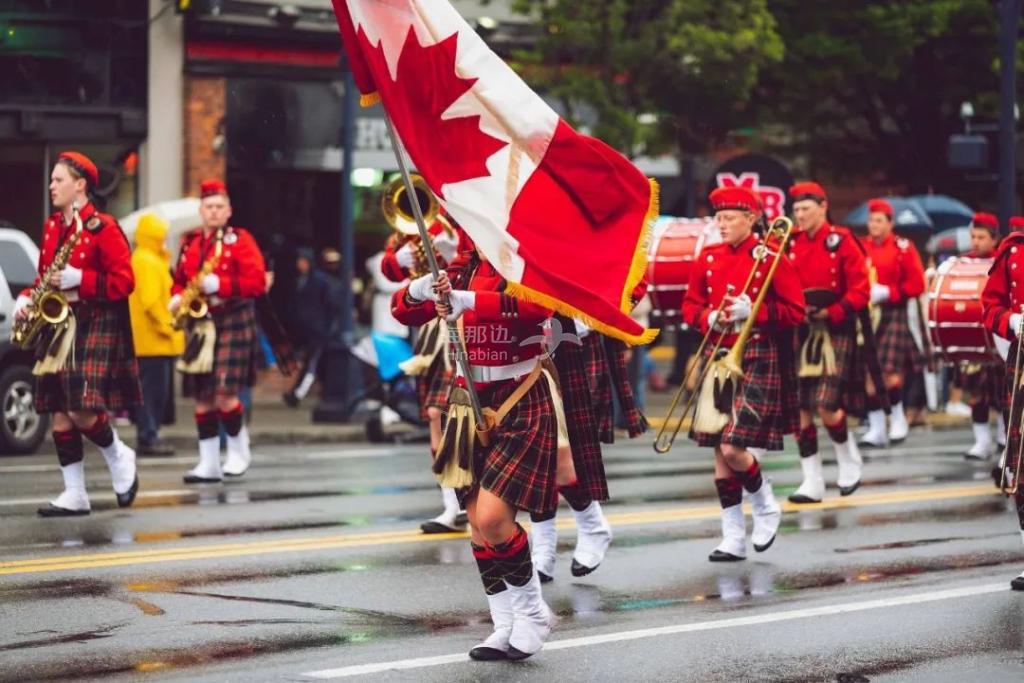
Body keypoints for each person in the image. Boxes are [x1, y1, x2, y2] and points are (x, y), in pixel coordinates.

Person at [392, 240, 557, 661]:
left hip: (518, 396)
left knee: (493, 517)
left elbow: (540, 307)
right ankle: (504, 624)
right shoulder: (461, 266)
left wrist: (466, 300)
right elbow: (403, 310)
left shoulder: (528, 261)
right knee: (478, 525)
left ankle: (533, 613)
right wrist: (422, 289)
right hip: (468, 401)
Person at [12, 151, 140, 516]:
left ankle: (119, 454)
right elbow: (44, 278)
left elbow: (125, 282)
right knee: (59, 412)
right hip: (58, 322)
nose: (52, 186)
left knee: (80, 408)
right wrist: (27, 298)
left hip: (93, 320)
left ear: (80, 185)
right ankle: (74, 493)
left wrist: (82, 280)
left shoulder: (104, 227)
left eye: (59, 180)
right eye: (52, 180)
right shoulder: (53, 226)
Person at [681, 186, 805, 561]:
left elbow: (795, 311)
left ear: (751, 219)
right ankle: (732, 535)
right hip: (718, 353)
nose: (721, 224)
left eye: (729, 217)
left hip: (756, 351)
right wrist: (709, 317)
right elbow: (690, 306)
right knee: (720, 452)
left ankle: (765, 503)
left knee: (734, 446)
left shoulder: (769, 255)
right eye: (718, 217)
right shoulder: (707, 256)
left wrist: (753, 312)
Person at [171, 179, 266, 483]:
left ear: (228, 211)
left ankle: (239, 452)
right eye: (208, 207)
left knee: (225, 393)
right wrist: (175, 296)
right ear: (201, 210)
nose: (213, 212)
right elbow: (180, 279)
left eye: (219, 207)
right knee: (203, 397)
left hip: (233, 317)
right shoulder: (191, 243)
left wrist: (221, 286)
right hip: (201, 322)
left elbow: (257, 283)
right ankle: (208, 463)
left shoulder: (241, 240)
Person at [380, 216, 466, 534]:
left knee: (466, 416)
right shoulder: (417, 223)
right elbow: (390, 269)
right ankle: (451, 505)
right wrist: (400, 258)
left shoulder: (463, 218)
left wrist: (454, 249)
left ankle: (472, 497)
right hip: (432, 328)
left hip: (468, 320)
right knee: (435, 413)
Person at [786, 182, 870, 502]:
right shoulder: (790, 242)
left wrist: (832, 311)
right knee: (801, 410)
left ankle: (848, 460)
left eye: (806, 209)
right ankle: (812, 480)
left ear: (823, 207)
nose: (800, 215)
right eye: (796, 210)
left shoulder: (842, 241)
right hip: (802, 329)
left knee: (827, 405)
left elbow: (860, 290)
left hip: (836, 328)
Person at [858, 199, 927, 447]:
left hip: (894, 312)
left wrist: (889, 292)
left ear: (890, 223)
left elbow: (918, 284)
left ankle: (898, 419)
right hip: (867, 315)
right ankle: (877, 429)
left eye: (879, 220)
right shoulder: (861, 246)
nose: (873, 225)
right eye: (871, 220)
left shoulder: (903, 247)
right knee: (869, 376)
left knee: (890, 375)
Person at [980, 226, 1024, 590]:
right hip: (1022, 355)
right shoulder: (1012, 251)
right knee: (1023, 461)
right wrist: (1009, 320)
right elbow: (989, 306)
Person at [129, 213, 184, 456]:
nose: (165, 240)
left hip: (153, 341)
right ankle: (148, 437)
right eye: (161, 235)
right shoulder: (146, 261)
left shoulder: (149, 259)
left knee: (154, 393)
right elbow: (151, 302)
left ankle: (150, 435)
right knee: (152, 394)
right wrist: (168, 325)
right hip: (152, 341)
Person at [958, 213, 1006, 459]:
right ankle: (982, 442)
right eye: (973, 237)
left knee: (1002, 392)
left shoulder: (1003, 261)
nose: (975, 242)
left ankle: (1003, 437)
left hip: (998, 337)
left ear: (994, 238)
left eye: (981, 237)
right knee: (976, 393)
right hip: (973, 337)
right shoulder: (963, 263)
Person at [282, 247, 335, 407]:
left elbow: (329, 304)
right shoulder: (300, 280)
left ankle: (297, 394)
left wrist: (326, 325)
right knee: (316, 363)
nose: (300, 264)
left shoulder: (319, 280)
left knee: (312, 362)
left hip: (317, 329)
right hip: (306, 329)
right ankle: (324, 392)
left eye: (303, 261)